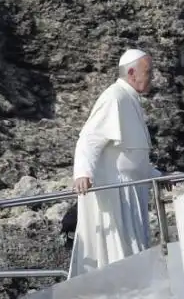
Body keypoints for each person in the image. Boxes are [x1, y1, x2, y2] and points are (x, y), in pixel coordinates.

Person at [69, 49, 163, 277]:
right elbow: (89, 138)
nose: (152, 77)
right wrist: (82, 172)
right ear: (132, 72)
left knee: (133, 253)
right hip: (116, 193)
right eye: (147, 72)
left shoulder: (131, 98)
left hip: (132, 191)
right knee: (117, 255)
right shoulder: (115, 96)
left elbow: (130, 153)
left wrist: (157, 175)